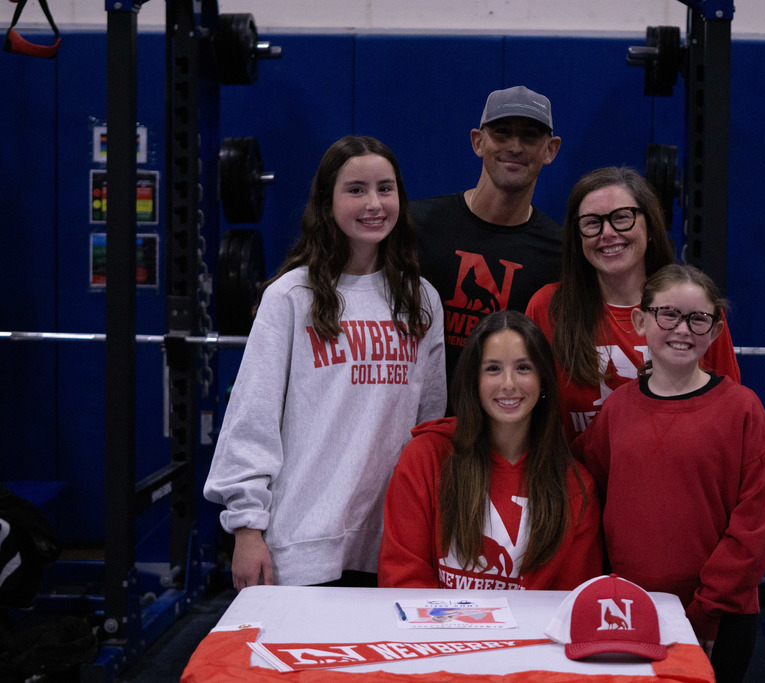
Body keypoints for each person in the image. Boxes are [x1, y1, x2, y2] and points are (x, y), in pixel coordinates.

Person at [204, 136, 447, 590]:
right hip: (300, 547)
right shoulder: (290, 297)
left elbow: (429, 431)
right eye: (355, 189)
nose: (374, 203)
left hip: (391, 547)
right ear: (327, 201)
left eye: (385, 188)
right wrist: (246, 529)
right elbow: (251, 421)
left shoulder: (421, 301)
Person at [572, 264, 765, 683]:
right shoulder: (618, 409)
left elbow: (757, 528)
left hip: (719, 618)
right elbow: (581, 490)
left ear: (716, 329)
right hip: (629, 610)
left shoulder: (742, 409)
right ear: (640, 320)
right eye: (668, 314)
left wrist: (707, 613)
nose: (681, 329)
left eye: (697, 318)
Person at [377, 310, 601, 590]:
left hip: (531, 635)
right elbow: (402, 577)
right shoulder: (425, 457)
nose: (509, 384)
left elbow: (569, 604)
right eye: (493, 369)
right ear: (474, 380)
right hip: (435, 632)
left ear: (543, 379)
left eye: (523, 368)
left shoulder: (575, 487)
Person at [525, 165, 741, 440]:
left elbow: (728, 417)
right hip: (578, 480)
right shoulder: (548, 307)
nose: (607, 232)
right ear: (577, 237)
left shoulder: (695, 306)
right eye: (592, 222)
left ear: (650, 226)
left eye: (622, 217)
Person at [411, 85, 563, 391]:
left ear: (551, 150)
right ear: (478, 142)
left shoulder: (560, 254)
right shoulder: (415, 225)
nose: (515, 146)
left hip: (503, 428)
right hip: (414, 427)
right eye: (502, 132)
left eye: (530, 136)